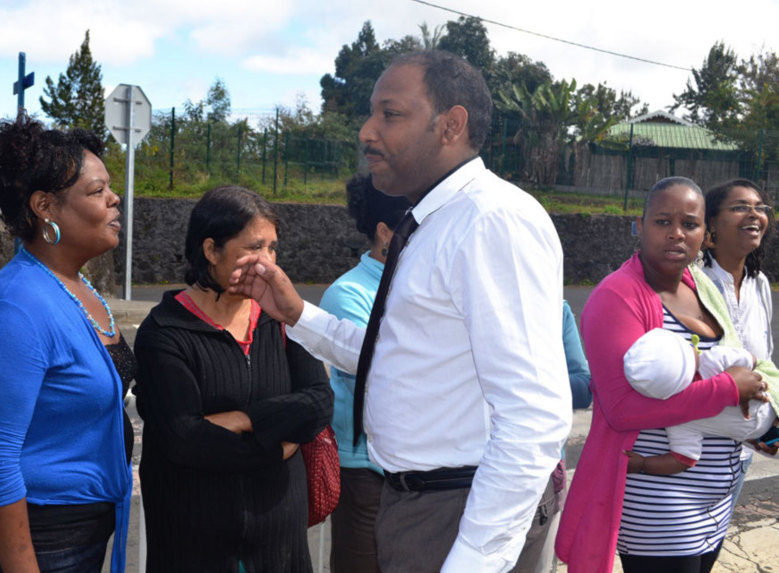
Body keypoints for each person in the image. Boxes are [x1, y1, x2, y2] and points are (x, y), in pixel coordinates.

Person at [230, 49, 572, 572]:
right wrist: (299, 314)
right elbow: (400, 356)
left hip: (462, 510)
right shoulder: (433, 220)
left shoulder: (489, 220)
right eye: (371, 113)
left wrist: (473, 561)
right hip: (427, 503)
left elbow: (533, 417)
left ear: (450, 125)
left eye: (390, 114)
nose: (367, 131)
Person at [555, 176, 772, 573]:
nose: (676, 234)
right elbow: (621, 410)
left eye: (689, 224)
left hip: (717, 496)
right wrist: (728, 388)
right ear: (638, 226)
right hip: (660, 504)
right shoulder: (616, 296)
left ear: (704, 234)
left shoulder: (700, 285)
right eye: (662, 222)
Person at [0, 116, 133, 572]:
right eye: (97, 192)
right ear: (45, 207)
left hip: (88, 530)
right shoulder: (15, 306)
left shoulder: (76, 286)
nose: (115, 198)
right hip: (44, 543)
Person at [133, 186, 333, 572]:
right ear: (211, 250)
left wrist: (244, 420)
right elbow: (185, 440)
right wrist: (278, 445)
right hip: (193, 548)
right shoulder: (166, 331)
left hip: (280, 548)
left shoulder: (279, 318)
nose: (268, 263)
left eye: (273, 248)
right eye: (255, 248)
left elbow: (318, 404)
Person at [318, 173, 409, 573]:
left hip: (419, 471)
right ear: (385, 232)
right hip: (368, 473)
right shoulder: (349, 294)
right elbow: (385, 371)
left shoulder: (422, 285)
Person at [703, 178, 778, 500]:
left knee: (711, 546)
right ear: (712, 225)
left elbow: (765, 361)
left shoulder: (758, 283)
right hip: (692, 448)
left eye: (760, 208)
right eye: (740, 207)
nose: (754, 214)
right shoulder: (691, 280)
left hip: (742, 452)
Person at [622, 327, 777, 475]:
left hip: (766, 438)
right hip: (768, 423)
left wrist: (643, 464)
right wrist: (736, 378)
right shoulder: (714, 360)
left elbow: (682, 460)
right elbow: (752, 359)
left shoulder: (678, 419)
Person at [512, 300, 592, 573]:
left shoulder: (554, 309)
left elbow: (583, 389)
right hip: (457, 478)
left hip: (539, 473)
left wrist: (519, 377)